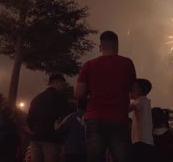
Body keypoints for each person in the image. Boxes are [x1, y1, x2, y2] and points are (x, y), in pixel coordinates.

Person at [74, 31, 136, 162]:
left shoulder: (89, 65)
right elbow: (133, 91)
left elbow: (78, 93)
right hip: (119, 119)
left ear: (100, 46)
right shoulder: (127, 63)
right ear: (117, 45)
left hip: (95, 119)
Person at [27, 74, 73, 162]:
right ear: (57, 82)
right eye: (63, 84)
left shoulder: (37, 98)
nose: (63, 87)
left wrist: (35, 130)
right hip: (52, 139)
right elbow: (67, 119)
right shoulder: (61, 99)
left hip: (35, 138)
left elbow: (29, 119)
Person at [129, 78, 154, 162]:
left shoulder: (142, 100)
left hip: (141, 142)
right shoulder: (145, 101)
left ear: (139, 90)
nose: (130, 89)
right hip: (145, 142)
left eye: (133, 87)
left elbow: (127, 109)